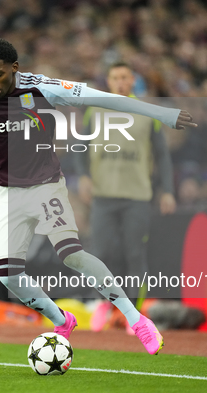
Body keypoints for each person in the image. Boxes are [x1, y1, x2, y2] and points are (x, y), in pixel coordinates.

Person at [0, 38, 197, 355]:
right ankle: (61, 321)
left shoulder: (42, 88)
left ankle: (136, 319)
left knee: (71, 254)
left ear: (14, 68)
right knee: (9, 277)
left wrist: (161, 114)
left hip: (46, 186)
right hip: (5, 194)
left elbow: (102, 98)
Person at [74, 62, 177, 331]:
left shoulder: (148, 112)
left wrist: (167, 190)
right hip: (103, 196)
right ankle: (106, 306)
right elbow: (78, 146)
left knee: (134, 253)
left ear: (132, 80)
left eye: (125, 77)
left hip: (137, 196)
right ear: (108, 81)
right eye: (115, 77)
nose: (120, 82)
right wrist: (83, 176)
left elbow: (162, 155)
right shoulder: (94, 110)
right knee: (103, 253)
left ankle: (134, 316)